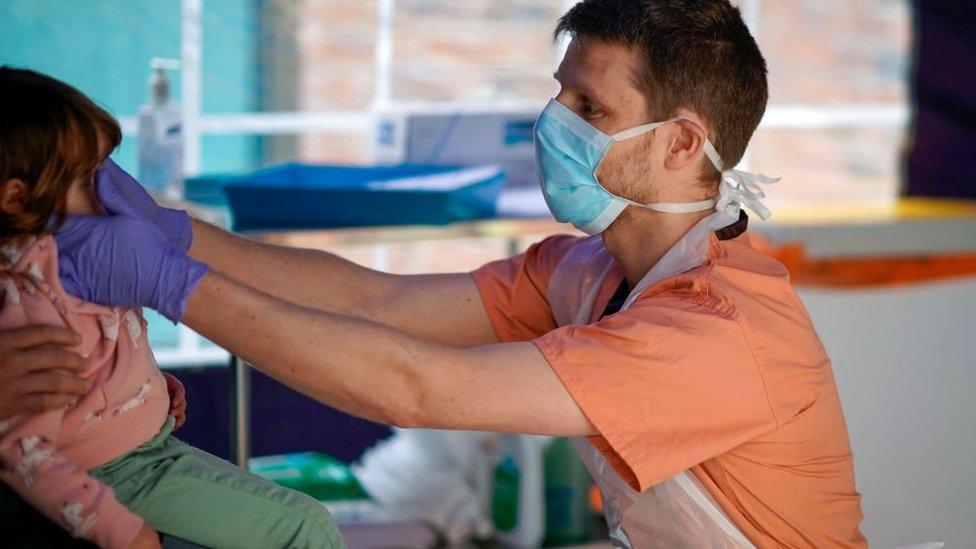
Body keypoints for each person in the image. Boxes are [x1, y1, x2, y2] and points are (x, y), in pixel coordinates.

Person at [51, 0, 867, 547]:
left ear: (683, 143)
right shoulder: (590, 268)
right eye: (560, 97)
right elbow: (380, 302)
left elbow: (412, 386)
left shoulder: (711, 332)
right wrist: (180, 236)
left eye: (589, 110)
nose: (553, 125)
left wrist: (174, 284)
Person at [0, 67, 344, 549]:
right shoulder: (31, 301)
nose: (108, 197)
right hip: (117, 471)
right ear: (16, 199)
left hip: (148, 449)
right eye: (84, 182)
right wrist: (125, 534)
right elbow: (21, 449)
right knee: (305, 530)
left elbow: (93, 355)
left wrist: (134, 387)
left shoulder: (72, 264)